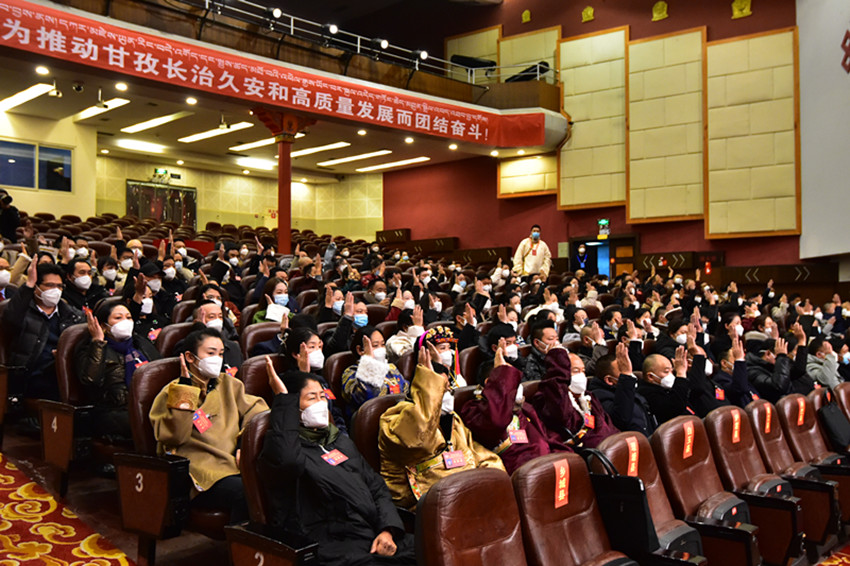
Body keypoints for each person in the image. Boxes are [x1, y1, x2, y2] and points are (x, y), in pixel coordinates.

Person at [260, 363, 416, 566]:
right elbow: (288, 462)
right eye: (311, 398)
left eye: (322, 396)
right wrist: (283, 399)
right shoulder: (282, 448)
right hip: (331, 544)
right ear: (292, 407)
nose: (320, 404)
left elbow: (376, 487)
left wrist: (387, 529)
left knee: (431, 549)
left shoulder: (337, 439)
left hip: (373, 532)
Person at [149, 328, 268, 523]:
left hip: (233, 462)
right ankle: (239, 542)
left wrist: (243, 444)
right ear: (190, 357)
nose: (217, 359)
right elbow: (175, 437)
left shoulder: (228, 383)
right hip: (200, 470)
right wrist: (185, 390)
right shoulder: (172, 392)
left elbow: (256, 411)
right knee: (245, 493)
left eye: (220, 354)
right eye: (211, 353)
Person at [378, 342, 504, 510]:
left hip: (464, 492)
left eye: (448, 388)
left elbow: (475, 453)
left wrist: (495, 480)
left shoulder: (451, 419)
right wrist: (428, 385)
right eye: (440, 389)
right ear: (424, 388)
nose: (447, 394)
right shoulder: (393, 420)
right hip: (425, 502)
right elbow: (419, 440)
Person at [461, 344, 569, 474]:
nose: (516, 386)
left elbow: (547, 438)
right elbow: (497, 421)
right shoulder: (473, 410)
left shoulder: (524, 407)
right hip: (517, 475)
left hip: (547, 467)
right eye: (509, 381)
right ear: (493, 382)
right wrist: (501, 374)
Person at [76, 302, 161, 441]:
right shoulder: (90, 348)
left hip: (147, 404)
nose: (125, 322)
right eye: (118, 318)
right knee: (153, 423)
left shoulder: (139, 343)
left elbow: (159, 369)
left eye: (128, 317)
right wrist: (98, 342)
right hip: (112, 411)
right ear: (103, 326)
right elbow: (90, 379)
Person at [1, 260, 84, 400]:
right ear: (36, 287)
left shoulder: (73, 315)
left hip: (64, 370)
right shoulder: (21, 311)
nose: (55, 290)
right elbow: (9, 321)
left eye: (59, 286)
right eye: (50, 285)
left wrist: (66, 355)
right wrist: (28, 285)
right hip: (31, 374)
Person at [530, 346, 619, 449]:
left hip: (608, 447)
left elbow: (608, 425)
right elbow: (562, 413)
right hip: (582, 451)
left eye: (583, 371)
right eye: (576, 371)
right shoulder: (547, 398)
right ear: (564, 373)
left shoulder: (589, 396)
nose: (581, 376)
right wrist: (558, 357)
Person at [589, 345, 657, 436]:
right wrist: (626, 377)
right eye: (623, 370)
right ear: (609, 380)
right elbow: (621, 419)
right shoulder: (599, 397)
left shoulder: (629, 388)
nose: (630, 374)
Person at [341, 326, 408, 415]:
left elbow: (406, 392)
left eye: (383, 344)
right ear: (360, 350)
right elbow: (364, 397)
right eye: (375, 345)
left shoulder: (391, 368)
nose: (381, 349)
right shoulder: (351, 373)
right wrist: (369, 363)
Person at [638, 349, 698, 424]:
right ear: (650, 376)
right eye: (666, 371)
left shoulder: (665, 387)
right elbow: (675, 409)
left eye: (671, 371)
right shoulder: (646, 393)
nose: (670, 375)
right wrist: (681, 373)